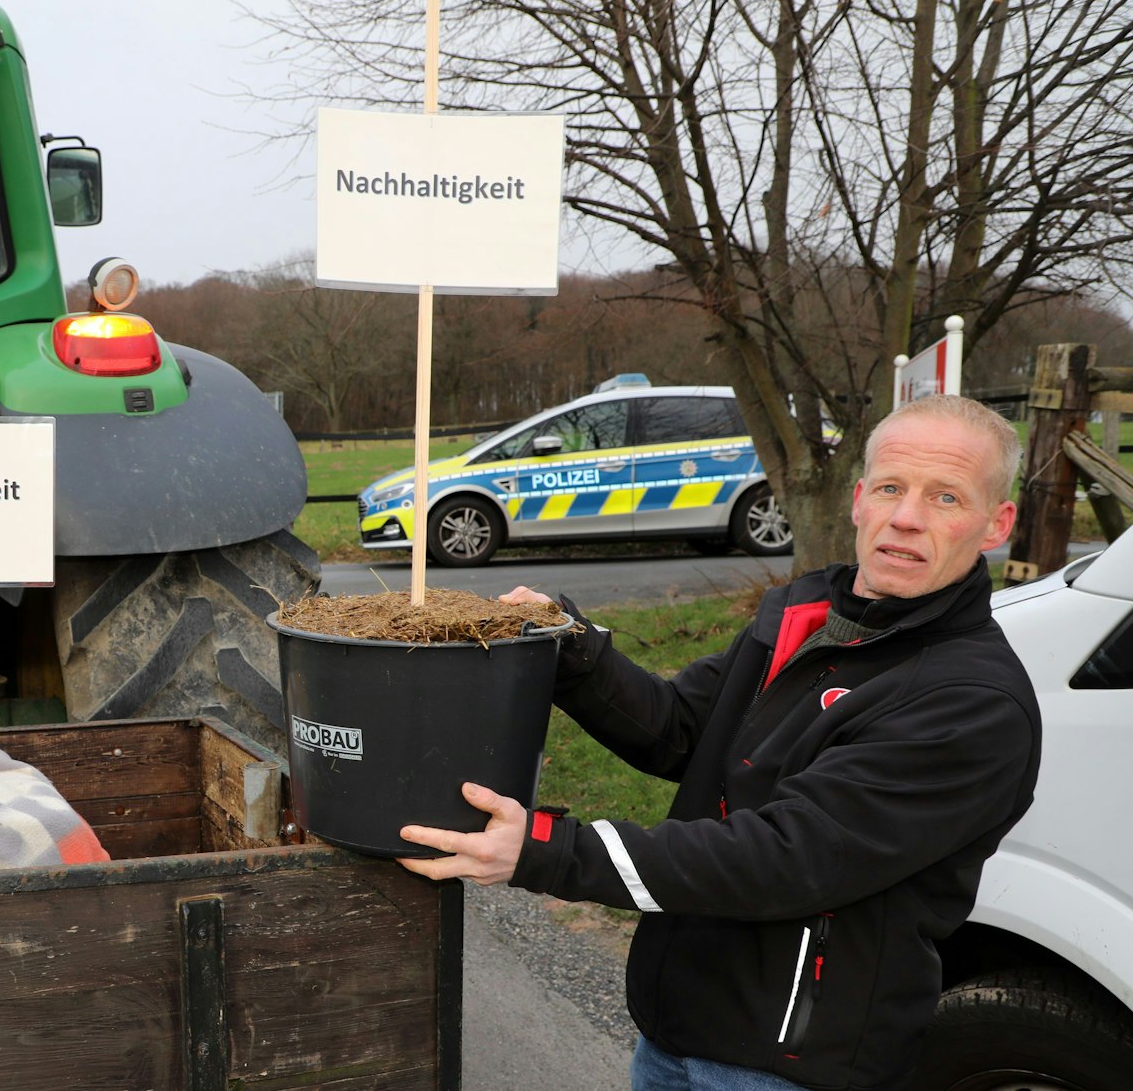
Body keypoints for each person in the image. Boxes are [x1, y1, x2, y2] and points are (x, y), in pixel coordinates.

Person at [397, 394, 1043, 1091]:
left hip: (788, 1063)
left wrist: (548, 847)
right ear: (859, 499)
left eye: (946, 496)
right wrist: (571, 645)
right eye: (891, 486)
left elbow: (784, 857)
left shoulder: (972, 704)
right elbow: (681, 728)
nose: (907, 516)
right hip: (677, 1030)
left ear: (994, 523)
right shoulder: (803, 614)